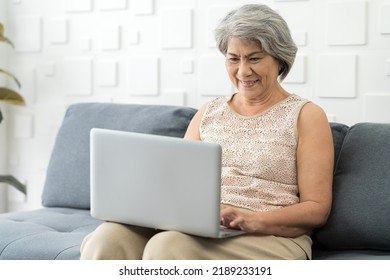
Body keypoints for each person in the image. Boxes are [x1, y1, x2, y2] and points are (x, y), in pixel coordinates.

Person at [80, 3, 334, 260]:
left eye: (254, 58)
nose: (243, 71)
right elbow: (176, 186)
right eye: (234, 58)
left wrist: (252, 219)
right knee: (108, 238)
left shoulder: (306, 115)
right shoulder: (209, 112)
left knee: (169, 246)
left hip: (271, 235)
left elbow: (316, 209)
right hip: (201, 228)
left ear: (280, 58)